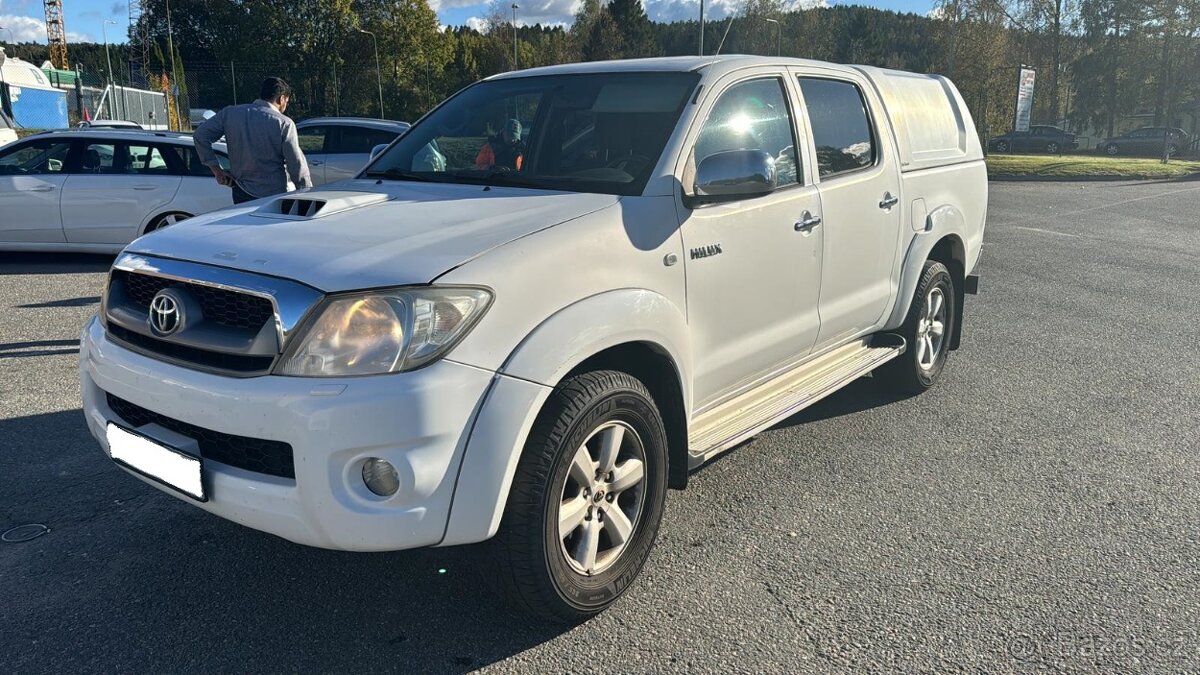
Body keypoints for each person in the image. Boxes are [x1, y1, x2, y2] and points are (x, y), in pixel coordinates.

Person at [194, 77, 312, 204]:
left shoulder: (229, 114)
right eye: (286, 102)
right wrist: (306, 193)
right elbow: (296, 163)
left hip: (241, 191)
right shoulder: (284, 123)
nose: (285, 106)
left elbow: (200, 135)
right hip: (273, 194)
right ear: (281, 99)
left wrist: (217, 171)